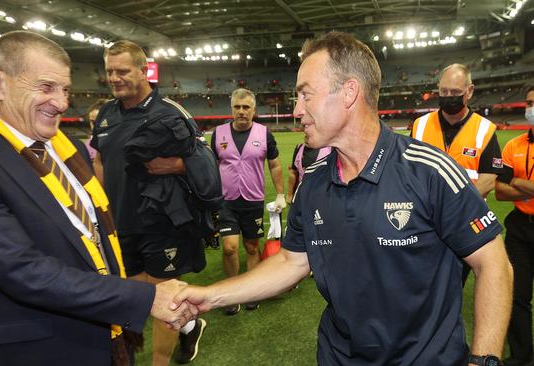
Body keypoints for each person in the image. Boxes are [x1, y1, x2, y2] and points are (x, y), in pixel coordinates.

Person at [173, 31, 514, 366]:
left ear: (349, 92)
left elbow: (494, 262)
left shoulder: (429, 171)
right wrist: (211, 295)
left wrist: (483, 360)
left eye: (306, 95)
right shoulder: (313, 184)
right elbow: (292, 262)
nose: (296, 110)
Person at [0, 31, 194, 366]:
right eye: (46, 87)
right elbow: (21, 269)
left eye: (65, 90)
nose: (61, 102)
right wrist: (145, 297)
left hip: (108, 337)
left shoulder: (69, 149)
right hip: (35, 350)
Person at [91, 40, 222, 365]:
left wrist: (177, 165)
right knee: (138, 297)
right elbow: (100, 163)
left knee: (166, 300)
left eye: (122, 71)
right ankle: (191, 326)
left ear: (143, 70)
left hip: (163, 223)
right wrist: (99, 208)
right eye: (110, 71)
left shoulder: (170, 112)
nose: (115, 78)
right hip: (121, 223)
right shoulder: (105, 115)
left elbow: (205, 163)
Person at [209, 88, 285, 315]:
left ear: (254, 110)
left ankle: (251, 291)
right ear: (231, 108)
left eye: (246, 107)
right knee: (230, 248)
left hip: (253, 200)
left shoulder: (264, 134)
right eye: (237, 107)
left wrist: (280, 194)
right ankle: (231, 295)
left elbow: (275, 165)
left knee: (252, 247)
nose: (241, 111)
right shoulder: (218, 133)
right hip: (227, 202)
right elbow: (211, 167)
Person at [411, 63, 503, 198]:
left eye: (455, 92)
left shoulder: (485, 129)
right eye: (443, 91)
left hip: (467, 214)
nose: (448, 96)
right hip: (426, 213)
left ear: (469, 91)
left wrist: (457, 205)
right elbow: (408, 170)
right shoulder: (420, 125)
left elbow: (488, 179)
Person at [495, 86, 534, 366]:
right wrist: (525, 187)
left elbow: (512, 185)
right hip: (521, 228)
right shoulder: (514, 145)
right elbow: (500, 190)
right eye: (530, 102)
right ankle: (520, 357)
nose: (530, 108)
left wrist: (519, 183)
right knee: (517, 295)